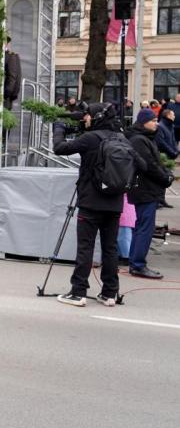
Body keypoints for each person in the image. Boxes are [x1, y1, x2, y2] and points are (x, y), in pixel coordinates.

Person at [53, 103, 144, 306]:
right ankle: (110, 293)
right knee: (110, 249)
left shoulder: (90, 139)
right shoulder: (122, 139)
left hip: (90, 202)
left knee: (85, 247)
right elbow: (142, 165)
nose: (85, 118)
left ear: (96, 117)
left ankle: (78, 292)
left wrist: (58, 128)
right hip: (114, 203)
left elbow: (59, 148)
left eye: (87, 116)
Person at [125, 109, 174, 279]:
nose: (156, 123)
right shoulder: (139, 140)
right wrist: (165, 178)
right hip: (145, 190)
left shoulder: (144, 138)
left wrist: (165, 173)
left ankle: (135, 262)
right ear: (144, 122)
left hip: (146, 189)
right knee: (145, 228)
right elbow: (150, 166)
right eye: (153, 120)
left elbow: (156, 162)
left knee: (142, 227)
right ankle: (138, 264)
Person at [3, 37, 21, 109]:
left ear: (6, 43)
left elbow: (12, 77)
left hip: (4, 96)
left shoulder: (10, 56)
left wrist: (5, 94)